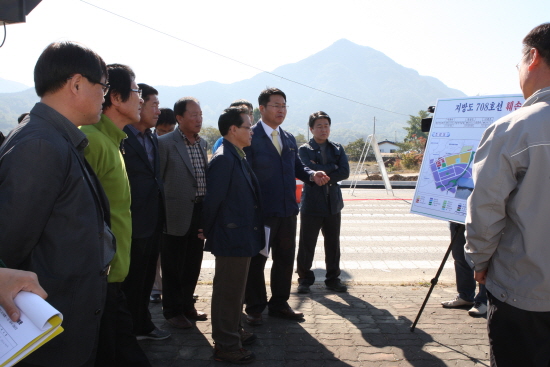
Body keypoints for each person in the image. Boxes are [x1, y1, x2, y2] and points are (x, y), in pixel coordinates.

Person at [0, 41, 115, 367]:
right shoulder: (41, 145)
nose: (104, 97)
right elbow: (8, 246)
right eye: (103, 87)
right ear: (77, 84)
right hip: (47, 330)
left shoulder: (55, 138)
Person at [465, 22, 550, 366]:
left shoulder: (513, 128)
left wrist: (479, 261)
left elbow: (486, 210)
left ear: (532, 57)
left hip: (523, 292)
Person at [80, 64, 153, 366]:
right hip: (98, 278)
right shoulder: (90, 141)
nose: (142, 99)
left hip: (115, 273)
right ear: (116, 98)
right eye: (137, 92)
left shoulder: (116, 140)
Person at [244, 87, 329, 326]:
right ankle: (255, 306)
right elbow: (246, 176)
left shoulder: (288, 137)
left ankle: (279, 303)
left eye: (284, 106)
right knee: (257, 260)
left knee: (284, 259)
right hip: (262, 214)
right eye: (276, 105)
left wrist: (313, 175)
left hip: (288, 211)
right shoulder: (249, 136)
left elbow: (298, 168)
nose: (281, 110)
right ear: (262, 109)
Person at [202, 106, 263, 364]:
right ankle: (226, 343)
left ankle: (234, 330)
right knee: (228, 291)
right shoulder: (224, 158)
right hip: (231, 237)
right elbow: (212, 201)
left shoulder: (237, 155)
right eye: (248, 127)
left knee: (236, 290)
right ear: (233, 130)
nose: (252, 131)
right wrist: (205, 230)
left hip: (241, 235)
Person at [121, 83, 170, 340]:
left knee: (147, 276)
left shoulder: (151, 136)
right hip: (131, 222)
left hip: (153, 220)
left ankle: (143, 324)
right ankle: (129, 331)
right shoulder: (121, 137)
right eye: (153, 105)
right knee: (132, 280)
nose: (158, 111)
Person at [158, 97, 208, 329]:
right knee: (173, 265)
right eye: (193, 115)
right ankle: (172, 310)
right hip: (174, 213)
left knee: (193, 262)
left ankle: (187, 304)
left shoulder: (202, 143)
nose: (198, 119)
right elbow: (159, 180)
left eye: (200, 114)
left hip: (198, 210)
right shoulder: (165, 143)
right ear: (179, 118)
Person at [296, 111, 350, 294]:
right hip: (311, 204)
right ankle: (304, 279)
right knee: (307, 243)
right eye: (319, 126)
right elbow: (305, 169)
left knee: (333, 244)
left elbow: (345, 172)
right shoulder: (304, 149)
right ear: (311, 129)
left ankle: (333, 279)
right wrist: (332, 168)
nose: (323, 129)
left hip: (333, 204)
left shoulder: (337, 148)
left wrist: (322, 172)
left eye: (326, 125)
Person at [150, 107, 177, 303]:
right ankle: (155, 288)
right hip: (156, 204)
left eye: (169, 131)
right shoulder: (151, 144)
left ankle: (170, 288)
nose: (164, 135)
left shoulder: (179, 143)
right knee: (156, 252)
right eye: (161, 131)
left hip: (174, 206)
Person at [440, 223, 486, 316]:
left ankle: (484, 300)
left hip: (483, 216)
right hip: (458, 216)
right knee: (460, 256)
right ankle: (465, 296)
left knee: (484, 257)